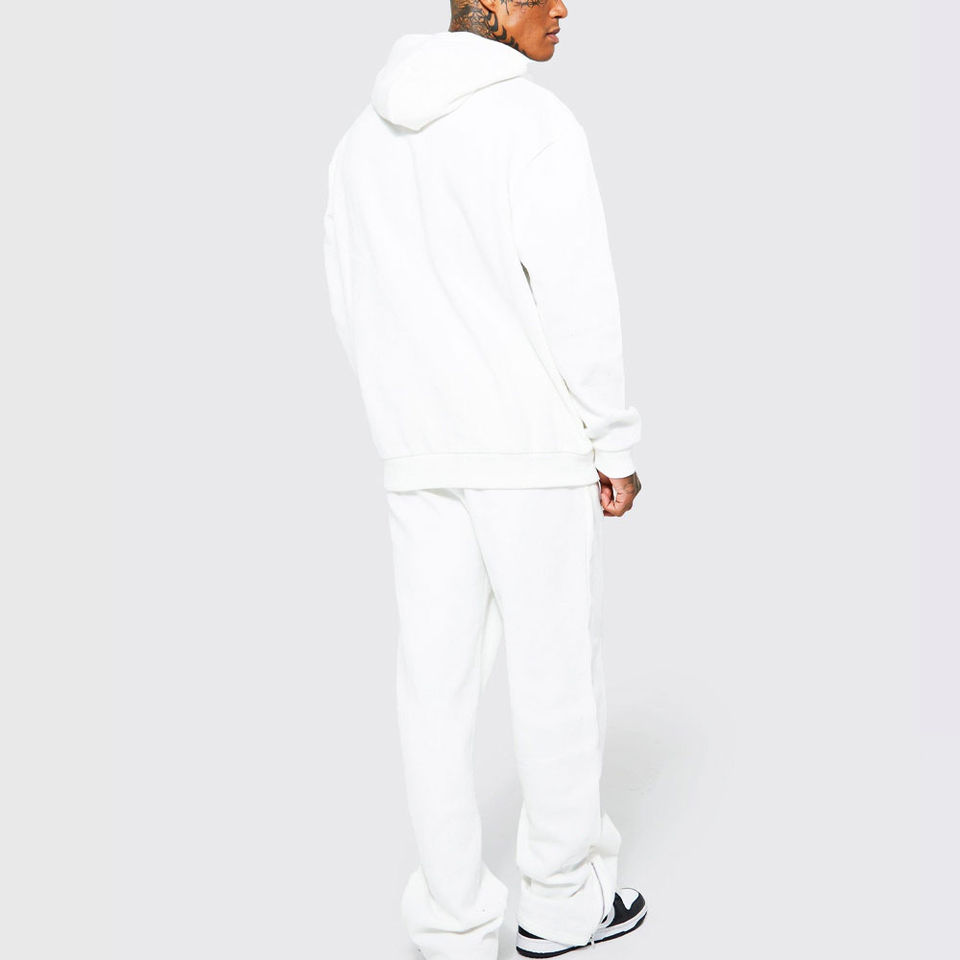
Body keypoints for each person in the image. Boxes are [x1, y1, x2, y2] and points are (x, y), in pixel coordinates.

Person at [323, 2, 647, 958]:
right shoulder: (534, 122)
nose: (564, 9)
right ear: (493, 3)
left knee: (433, 689)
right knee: (557, 678)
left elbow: (348, 295)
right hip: (530, 450)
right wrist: (613, 442)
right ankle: (562, 902)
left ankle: (451, 921)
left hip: (419, 452)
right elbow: (578, 299)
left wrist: (405, 414)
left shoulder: (359, 141)